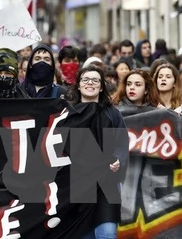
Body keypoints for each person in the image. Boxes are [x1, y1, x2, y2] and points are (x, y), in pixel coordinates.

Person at [67, 65, 129, 239]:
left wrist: (118, 159)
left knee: (107, 234)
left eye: (95, 80)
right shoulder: (68, 114)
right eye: (85, 79)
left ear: (101, 86)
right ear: (78, 85)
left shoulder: (113, 114)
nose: (90, 83)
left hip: (106, 185)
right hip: (76, 186)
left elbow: (121, 143)